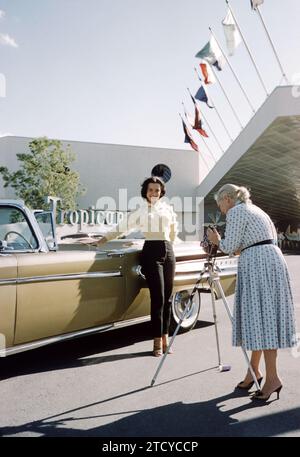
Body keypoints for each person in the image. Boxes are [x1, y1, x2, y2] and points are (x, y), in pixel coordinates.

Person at [207, 184, 296, 402]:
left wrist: (216, 240)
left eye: (220, 205)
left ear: (228, 199)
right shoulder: (256, 210)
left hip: (257, 264)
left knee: (261, 320)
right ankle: (253, 371)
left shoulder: (237, 211)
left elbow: (230, 246)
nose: (221, 210)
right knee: (262, 319)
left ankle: (273, 377)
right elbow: (244, 244)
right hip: (271, 261)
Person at [81, 177, 178, 357]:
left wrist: (171, 245)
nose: (154, 193)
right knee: (158, 298)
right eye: (151, 190)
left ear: (161, 192)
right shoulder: (140, 211)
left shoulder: (168, 208)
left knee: (168, 299)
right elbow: (121, 228)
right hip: (151, 252)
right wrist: (101, 241)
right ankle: (157, 342)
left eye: (157, 190)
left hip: (168, 251)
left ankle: (166, 339)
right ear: (145, 192)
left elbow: (173, 230)